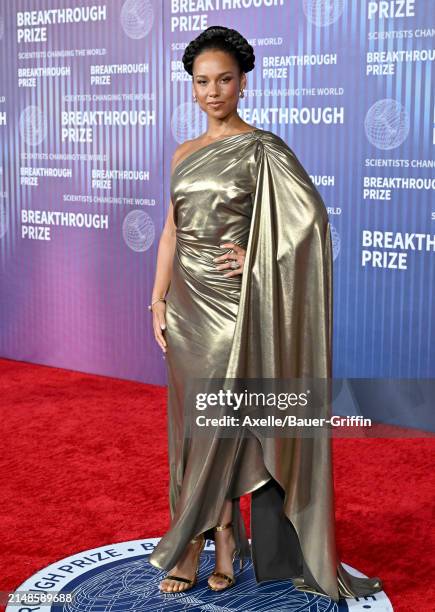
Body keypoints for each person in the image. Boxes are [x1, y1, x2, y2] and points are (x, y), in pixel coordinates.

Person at [147, 25, 383, 602]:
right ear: (192, 87)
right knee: (190, 427)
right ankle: (208, 539)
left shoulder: (262, 149)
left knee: (223, 425)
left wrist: (255, 255)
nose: (212, 91)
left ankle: (220, 539)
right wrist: (156, 299)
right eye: (202, 82)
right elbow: (171, 231)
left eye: (224, 79)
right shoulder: (183, 153)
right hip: (186, 311)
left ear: (243, 83)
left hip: (236, 310)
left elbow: (307, 228)